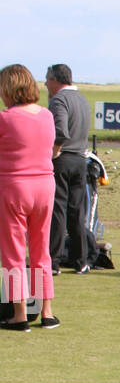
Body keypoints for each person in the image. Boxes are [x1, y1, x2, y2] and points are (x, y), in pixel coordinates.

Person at [0, 63, 58, 330]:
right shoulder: (46, 115)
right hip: (45, 186)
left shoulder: (6, 119)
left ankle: (20, 314)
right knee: (40, 250)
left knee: (13, 252)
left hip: (14, 188)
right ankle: (46, 311)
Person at [45, 64, 92, 275]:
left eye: (47, 79)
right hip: (81, 161)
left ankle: (53, 262)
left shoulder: (59, 100)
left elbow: (60, 131)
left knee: (58, 211)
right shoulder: (82, 99)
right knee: (77, 212)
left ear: (56, 79)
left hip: (63, 159)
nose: (46, 84)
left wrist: (54, 152)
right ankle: (80, 260)